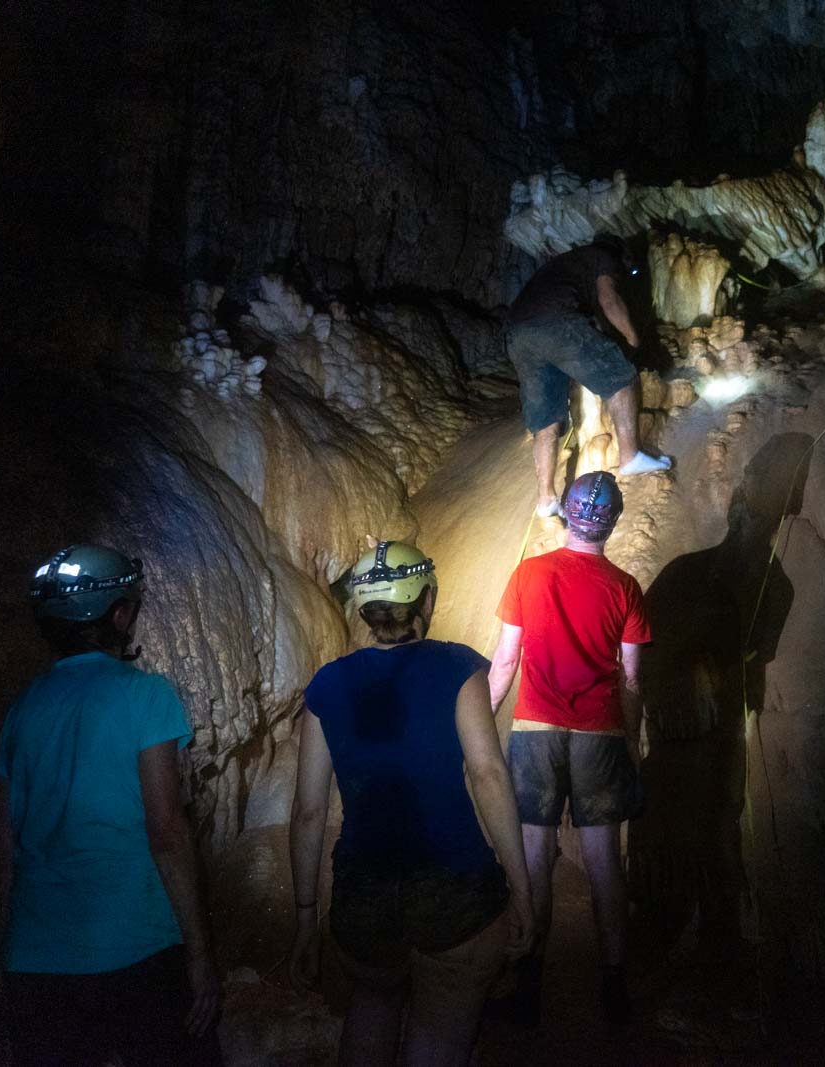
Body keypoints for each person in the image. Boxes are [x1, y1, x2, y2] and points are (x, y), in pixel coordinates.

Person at [289, 540, 534, 1067]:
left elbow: (308, 811)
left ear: (364, 609)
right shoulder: (458, 667)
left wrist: (306, 916)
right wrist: (521, 886)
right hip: (454, 887)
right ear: (426, 600)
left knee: (371, 1009)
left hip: (363, 895)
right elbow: (488, 773)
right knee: (441, 1033)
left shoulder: (326, 685)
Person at [0, 544, 222, 1066]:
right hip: (136, 947)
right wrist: (201, 953)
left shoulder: (23, 708)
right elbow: (166, 829)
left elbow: (2, 844)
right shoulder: (146, 696)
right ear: (120, 615)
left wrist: (4, 950)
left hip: (37, 958)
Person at [487, 470, 650, 1025]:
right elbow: (630, 680)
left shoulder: (529, 574)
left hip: (535, 728)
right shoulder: (624, 587)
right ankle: (614, 985)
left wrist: (479, 727)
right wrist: (630, 741)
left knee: (534, 855)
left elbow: (505, 662)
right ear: (612, 523)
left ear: (568, 515)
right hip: (599, 732)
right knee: (605, 858)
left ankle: (529, 983)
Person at [507, 234, 671, 519]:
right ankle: (630, 456)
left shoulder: (565, 264)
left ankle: (546, 499)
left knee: (545, 420)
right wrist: (632, 337)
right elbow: (610, 300)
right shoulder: (601, 257)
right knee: (621, 376)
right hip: (554, 322)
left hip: (516, 334)